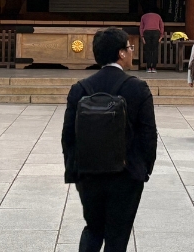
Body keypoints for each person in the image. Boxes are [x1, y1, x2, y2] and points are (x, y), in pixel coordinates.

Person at [62, 27, 157, 252]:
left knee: (93, 229)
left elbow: (68, 136)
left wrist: (74, 170)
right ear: (121, 53)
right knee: (118, 235)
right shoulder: (137, 88)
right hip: (126, 174)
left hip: (89, 173)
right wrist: (144, 169)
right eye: (129, 48)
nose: (132, 52)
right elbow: (148, 135)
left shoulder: (80, 89)